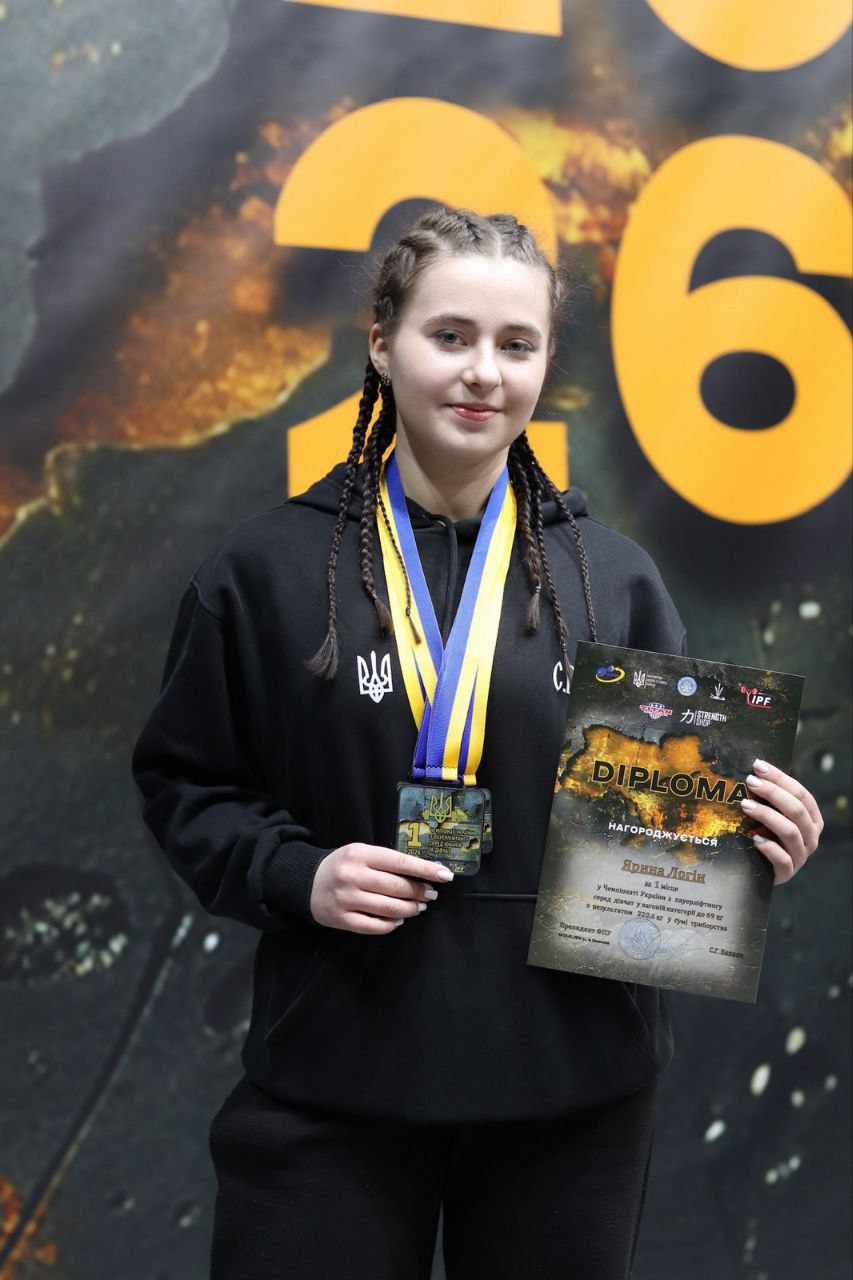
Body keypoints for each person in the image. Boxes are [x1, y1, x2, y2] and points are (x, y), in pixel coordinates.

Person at [130, 205, 824, 1280]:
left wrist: (751, 839)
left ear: (545, 363)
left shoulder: (611, 576)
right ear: (381, 342)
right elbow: (186, 783)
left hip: (572, 1091)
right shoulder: (265, 570)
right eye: (448, 335)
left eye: (517, 343)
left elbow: (660, 825)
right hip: (336, 1076)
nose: (483, 373)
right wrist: (299, 873)